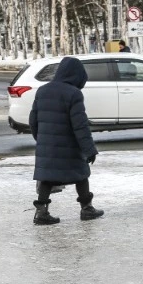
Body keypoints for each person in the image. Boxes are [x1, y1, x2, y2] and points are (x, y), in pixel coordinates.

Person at [29, 57, 104, 225]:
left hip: (47, 146)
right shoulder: (74, 94)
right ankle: (87, 209)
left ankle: (41, 212)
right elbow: (80, 125)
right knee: (81, 174)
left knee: (47, 177)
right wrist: (89, 150)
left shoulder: (42, 91)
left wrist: (41, 140)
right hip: (69, 146)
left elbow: (33, 120)